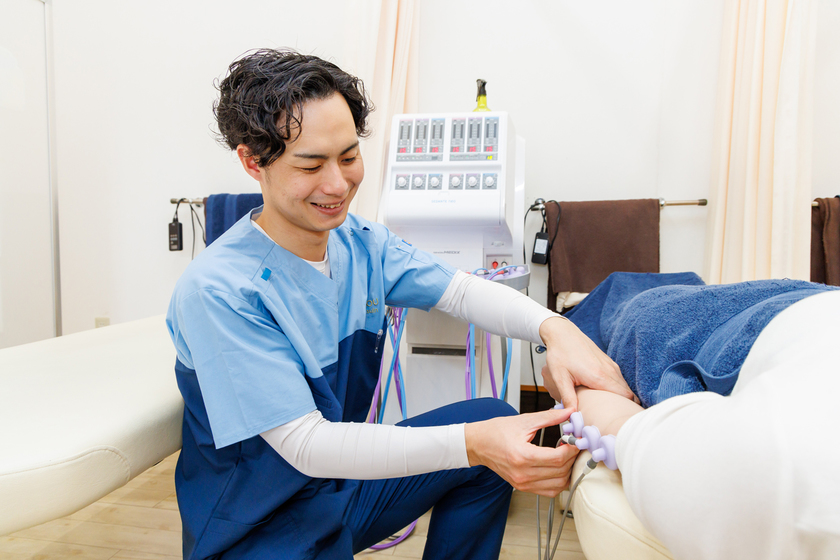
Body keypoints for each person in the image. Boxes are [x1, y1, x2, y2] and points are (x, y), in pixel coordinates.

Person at [166, 48, 630, 560]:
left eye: (348, 157)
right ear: (253, 161)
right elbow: (306, 445)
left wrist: (555, 330)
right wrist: (475, 442)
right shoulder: (221, 292)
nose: (338, 184)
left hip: (338, 492)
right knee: (481, 441)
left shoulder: (359, 244)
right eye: (311, 164)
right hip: (257, 530)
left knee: (493, 419)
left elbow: (460, 290)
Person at [559, 278, 840, 560]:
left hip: (797, 311)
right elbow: (624, 424)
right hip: (778, 318)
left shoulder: (780, 467)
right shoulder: (784, 457)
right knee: (638, 301)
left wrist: (577, 384)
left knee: (632, 290)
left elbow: (617, 417)